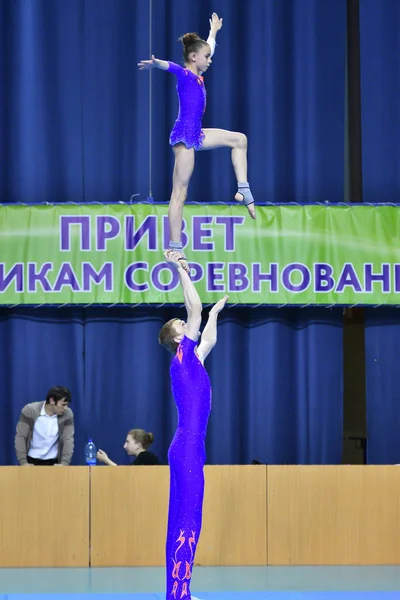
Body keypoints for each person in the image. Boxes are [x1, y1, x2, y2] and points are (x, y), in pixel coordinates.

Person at [138, 13, 256, 272]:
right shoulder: (185, 75)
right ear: (194, 58)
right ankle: (174, 247)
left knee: (239, 139)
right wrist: (157, 63)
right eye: (206, 58)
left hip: (197, 133)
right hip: (184, 137)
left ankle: (243, 189)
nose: (209, 60)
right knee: (179, 194)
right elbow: (172, 66)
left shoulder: (199, 71)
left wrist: (213, 32)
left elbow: (208, 47)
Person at [158, 250, 228, 600]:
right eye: (181, 326)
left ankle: (180, 591)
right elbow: (194, 310)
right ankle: (178, 594)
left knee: (190, 518)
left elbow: (209, 338)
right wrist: (182, 269)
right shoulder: (181, 357)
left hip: (192, 447)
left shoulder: (194, 359)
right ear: (175, 340)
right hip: (186, 446)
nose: (186, 326)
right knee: (186, 517)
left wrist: (214, 314)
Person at [14, 386, 74, 466]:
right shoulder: (29, 410)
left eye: (67, 405)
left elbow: (68, 440)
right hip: (31, 460)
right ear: (52, 401)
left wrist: (64, 463)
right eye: (63, 404)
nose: (65, 408)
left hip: (54, 462)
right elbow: (20, 437)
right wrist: (23, 462)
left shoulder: (67, 415)